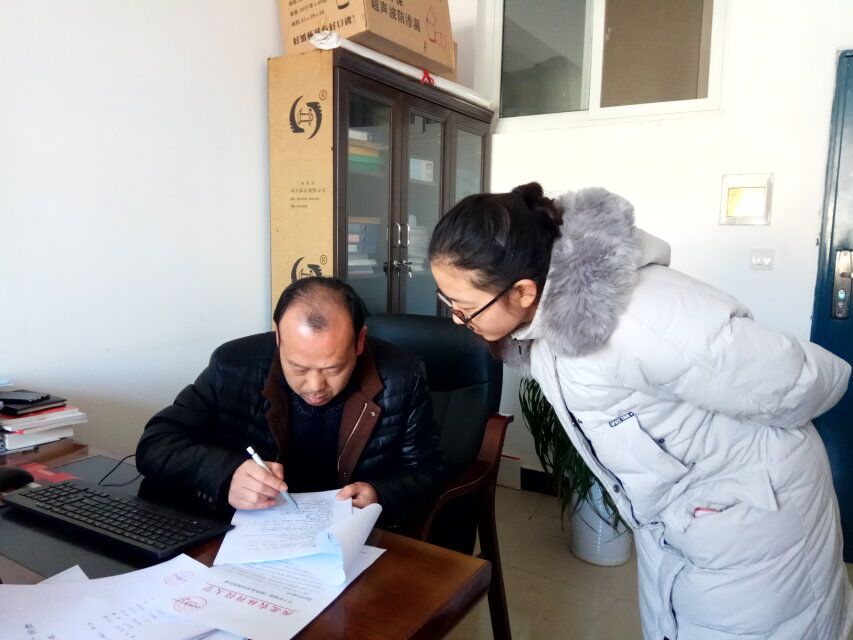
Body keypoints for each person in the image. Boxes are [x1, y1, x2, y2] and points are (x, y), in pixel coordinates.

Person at [429, 182, 852, 639]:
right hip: (685, 522)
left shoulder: (640, 319)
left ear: (523, 292)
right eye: (448, 302)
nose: (456, 318)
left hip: (756, 521)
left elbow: (806, 380)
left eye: (464, 307)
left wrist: (722, 491)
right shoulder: (552, 326)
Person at [136, 277, 444, 529]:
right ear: (279, 339)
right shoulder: (232, 366)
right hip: (250, 534)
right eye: (298, 367)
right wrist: (226, 474)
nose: (315, 386)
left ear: (359, 342)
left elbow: (427, 472)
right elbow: (156, 443)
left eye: (333, 369)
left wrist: (380, 494)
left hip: (348, 539)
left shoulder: (402, 377)